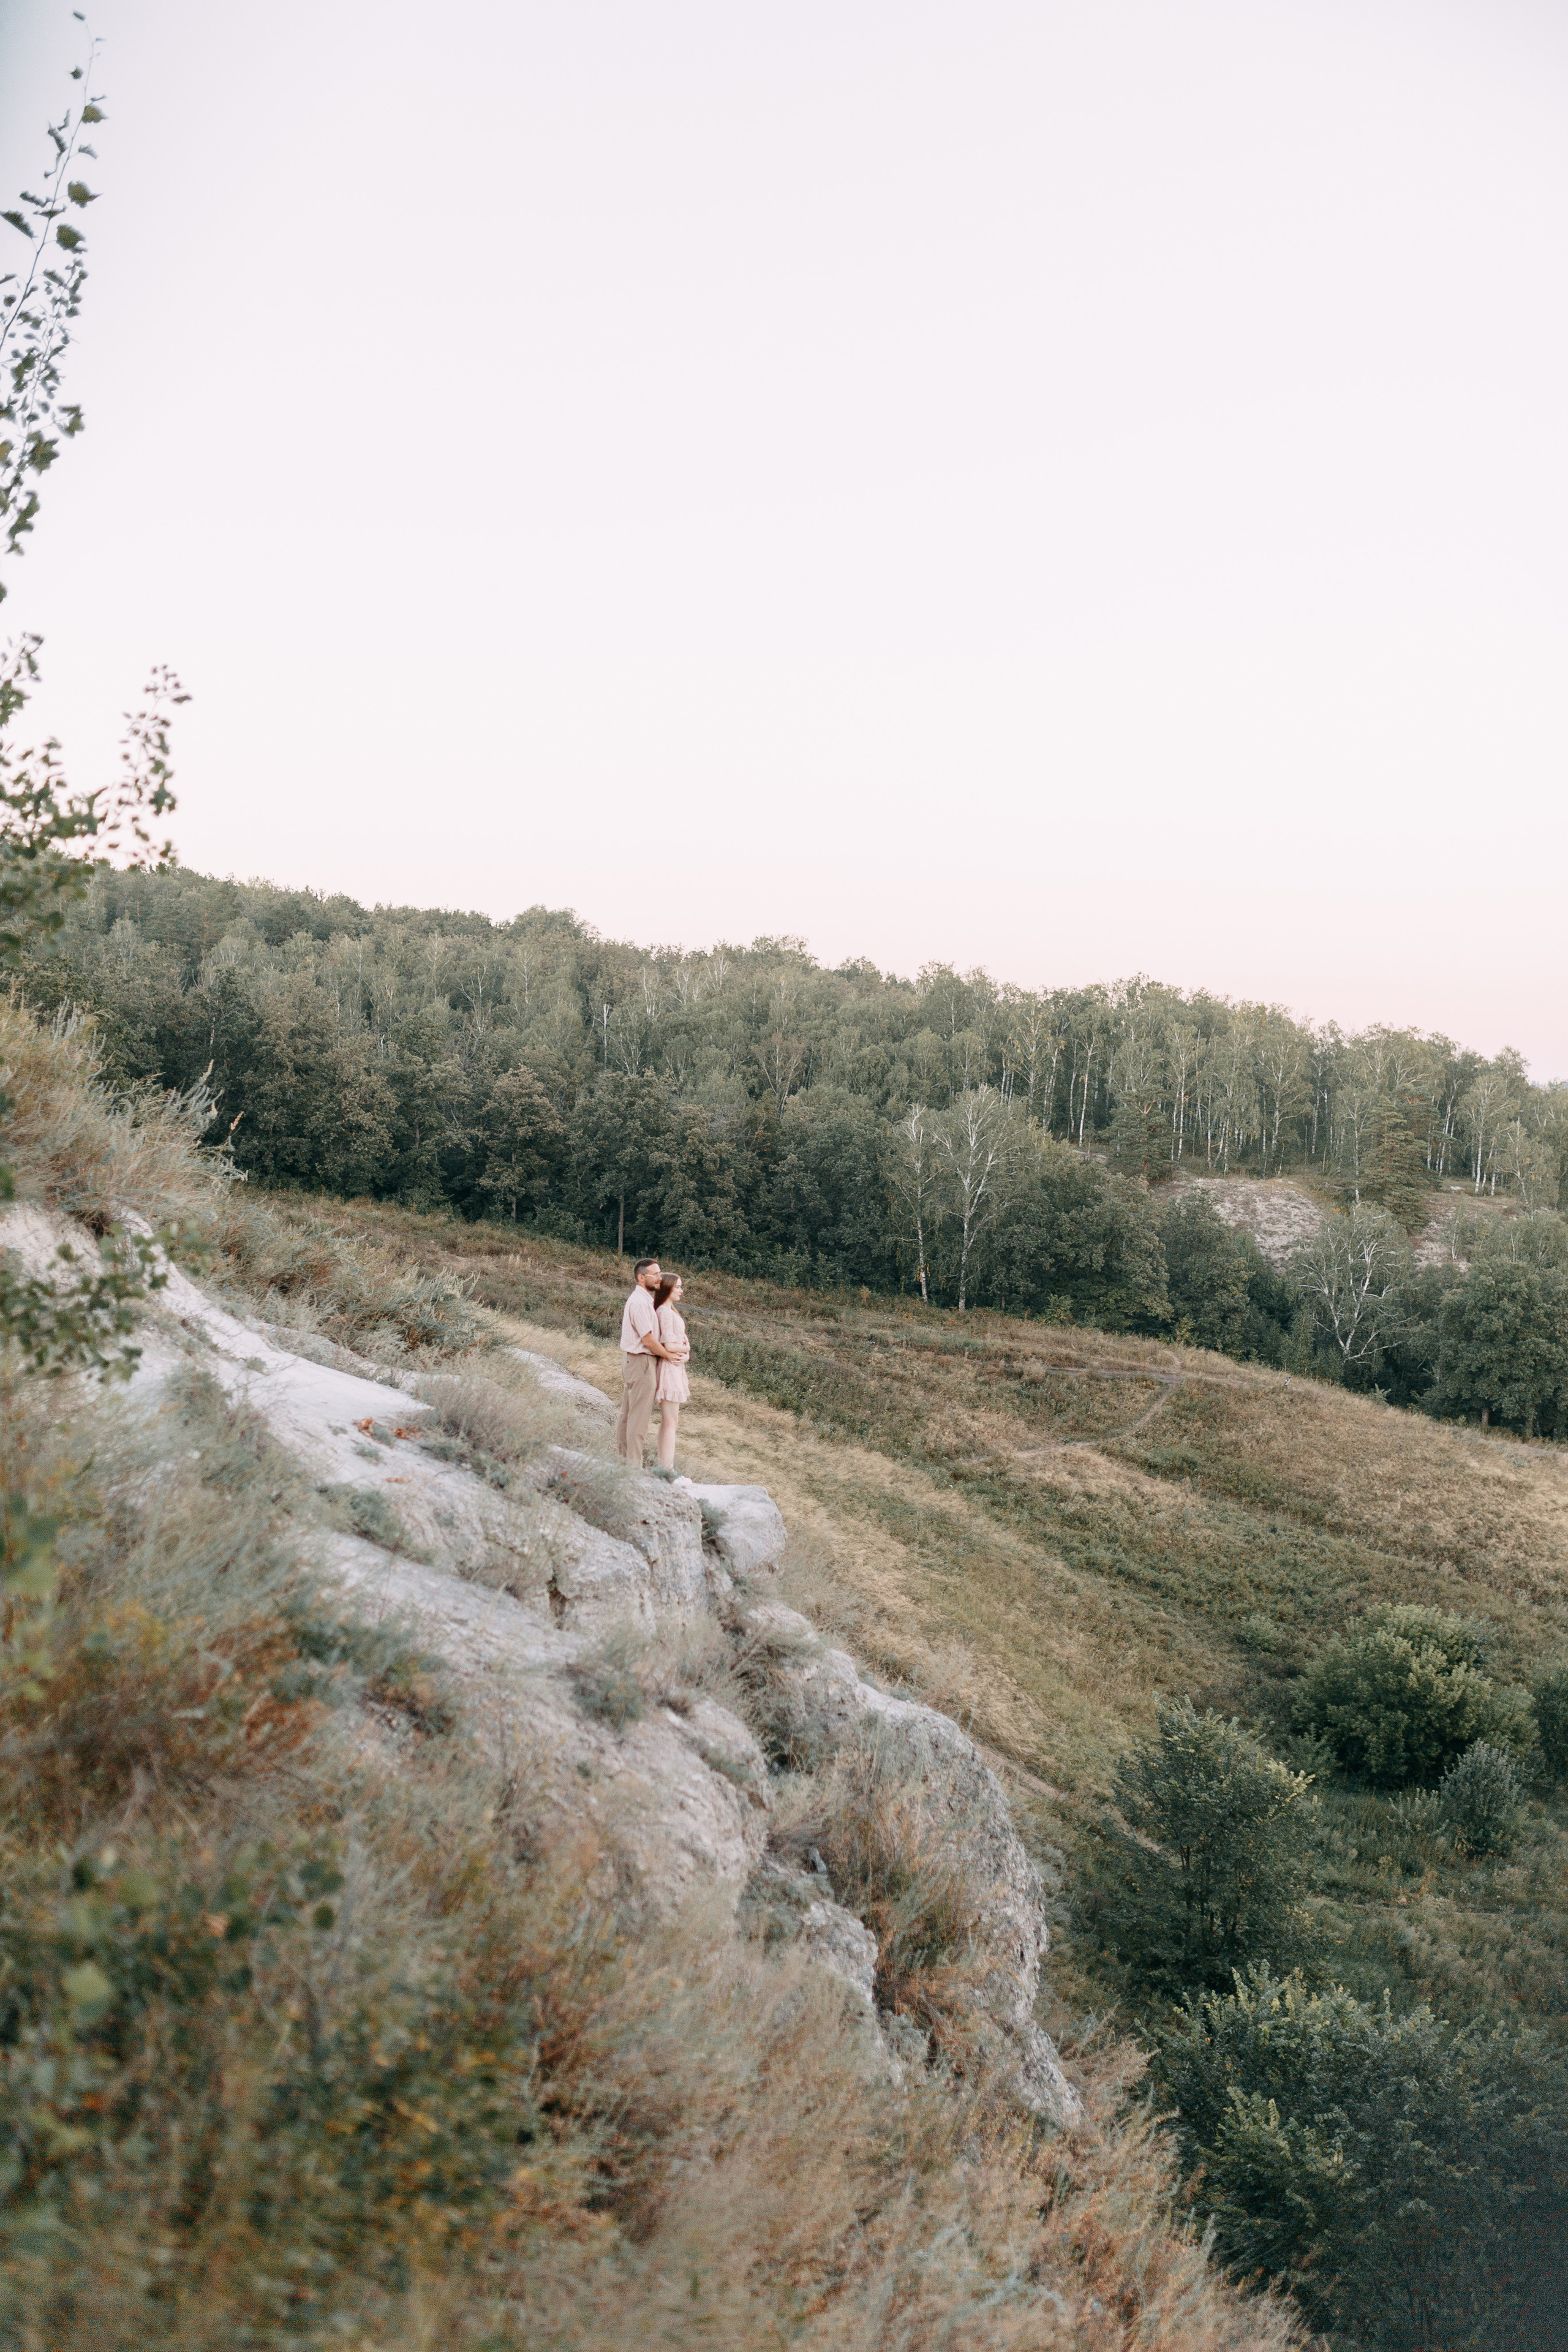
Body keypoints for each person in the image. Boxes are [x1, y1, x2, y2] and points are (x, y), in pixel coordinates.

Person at [615, 1256, 676, 1464]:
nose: (660, 1278)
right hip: (641, 1362)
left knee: (628, 1413)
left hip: (636, 1362)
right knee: (638, 1418)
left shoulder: (646, 1300)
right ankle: (633, 1466)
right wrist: (669, 1356)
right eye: (656, 1274)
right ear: (642, 1278)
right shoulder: (640, 1303)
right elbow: (648, 1341)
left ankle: (623, 1460)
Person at [652, 1273, 691, 1469]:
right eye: (677, 1287)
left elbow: (682, 1341)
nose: (681, 1291)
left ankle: (665, 1466)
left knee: (670, 1421)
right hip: (670, 1368)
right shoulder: (664, 1313)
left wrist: (686, 1354)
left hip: (676, 1367)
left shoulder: (670, 1311)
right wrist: (686, 1350)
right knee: (670, 1421)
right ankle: (667, 1468)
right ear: (667, 1289)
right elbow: (670, 1344)